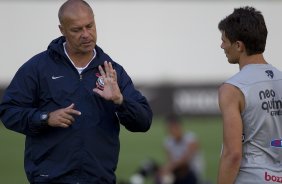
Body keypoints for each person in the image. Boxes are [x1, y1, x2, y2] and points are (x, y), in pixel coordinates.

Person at [0, 0, 152, 183]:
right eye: (77, 30)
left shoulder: (113, 71)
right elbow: (8, 111)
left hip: (98, 179)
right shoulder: (38, 68)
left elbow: (144, 122)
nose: (86, 34)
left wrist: (120, 101)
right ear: (62, 30)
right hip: (49, 179)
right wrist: (45, 118)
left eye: (90, 26)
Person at [217, 6, 282, 184]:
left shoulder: (232, 89)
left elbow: (233, 155)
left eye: (224, 40)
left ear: (239, 46)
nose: (221, 45)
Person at [158, 115, 205, 184]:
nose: (170, 132)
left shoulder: (191, 139)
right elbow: (170, 160)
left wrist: (169, 168)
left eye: (172, 128)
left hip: (192, 173)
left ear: (178, 127)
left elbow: (186, 160)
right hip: (177, 172)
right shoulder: (168, 142)